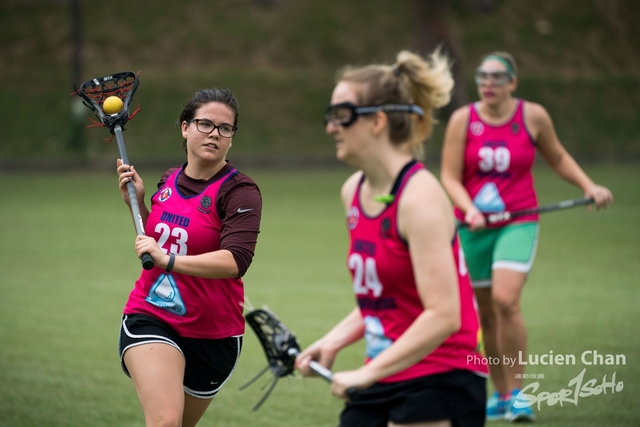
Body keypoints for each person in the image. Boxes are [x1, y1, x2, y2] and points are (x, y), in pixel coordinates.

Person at [295, 50, 489, 427]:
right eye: (330, 116)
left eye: (341, 115)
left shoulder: (420, 198)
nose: (331, 127)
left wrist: (366, 374)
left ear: (377, 121)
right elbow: (385, 296)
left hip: (443, 374)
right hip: (389, 369)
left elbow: (444, 314)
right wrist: (333, 340)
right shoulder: (353, 191)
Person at [440, 52, 613, 422]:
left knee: (506, 300)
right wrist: (469, 208)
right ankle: (500, 394)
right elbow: (450, 176)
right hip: (474, 228)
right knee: (484, 314)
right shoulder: (462, 120)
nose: (489, 83)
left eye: (498, 77)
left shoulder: (532, 116)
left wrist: (588, 185)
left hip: (518, 221)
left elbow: (558, 157)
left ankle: (518, 393)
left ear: (513, 82)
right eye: (483, 76)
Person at [116, 87, 262, 427]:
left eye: (225, 128)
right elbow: (158, 245)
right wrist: (135, 203)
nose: (215, 133)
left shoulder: (240, 191)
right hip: (151, 315)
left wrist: (168, 260)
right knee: (165, 422)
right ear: (185, 128)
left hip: (215, 334)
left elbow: (235, 261)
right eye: (205, 124)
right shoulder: (169, 179)